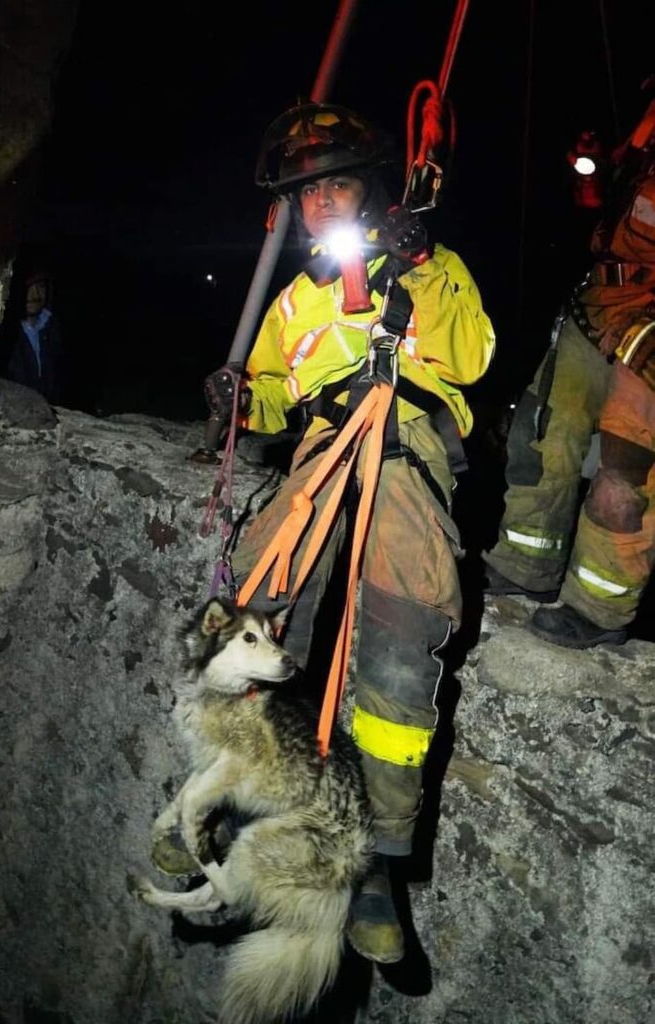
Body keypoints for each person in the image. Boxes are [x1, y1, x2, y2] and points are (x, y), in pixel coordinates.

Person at [204, 102, 495, 964]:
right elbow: (270, 396)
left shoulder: (425, 269)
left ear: (365, 188)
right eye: (307, 193)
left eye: (337, 184)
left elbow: (473, 356)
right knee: (253, 605)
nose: (324, 203)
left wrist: (423, 261)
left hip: (403, 455)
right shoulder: (295, 301)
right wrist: (236, 400)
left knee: (402, 644)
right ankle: (220, 793)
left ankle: (375, 864)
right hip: (322, 457)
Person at [483, 94, 655, 648]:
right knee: (540, 434)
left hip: (649, 326)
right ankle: (524, 568)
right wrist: (591, 168)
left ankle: (599, 610)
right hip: (599, 303)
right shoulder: (648, 125)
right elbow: (598, 203)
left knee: (625, 476)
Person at [1, 269, 65, 405]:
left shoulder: (53, 325)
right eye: (28, 287)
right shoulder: (4, 334)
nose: (35, 294)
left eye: (41, 286)